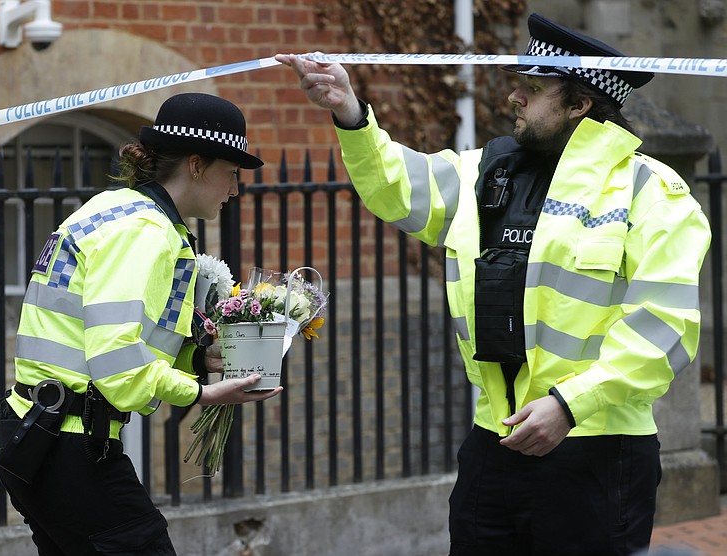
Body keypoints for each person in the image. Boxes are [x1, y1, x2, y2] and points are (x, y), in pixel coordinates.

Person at [276, 12, 711, 556]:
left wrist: (569, 405)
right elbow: (396, 187)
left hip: (598, 449)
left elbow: (664, 326)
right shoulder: (485, 171)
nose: (514, 98)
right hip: (495, 443)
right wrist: (348, 111)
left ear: (580, 104)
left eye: (533, 88)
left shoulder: (652, 193)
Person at [0, 92, 282, 555]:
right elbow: (117, 363)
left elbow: (115, 335)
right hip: (70, 449)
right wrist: (203, 393)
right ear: (197, 164)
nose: (235, 189)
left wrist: (197, 356)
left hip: (38, 436)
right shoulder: (144, 232)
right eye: (232, 173)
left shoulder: (117, 209)